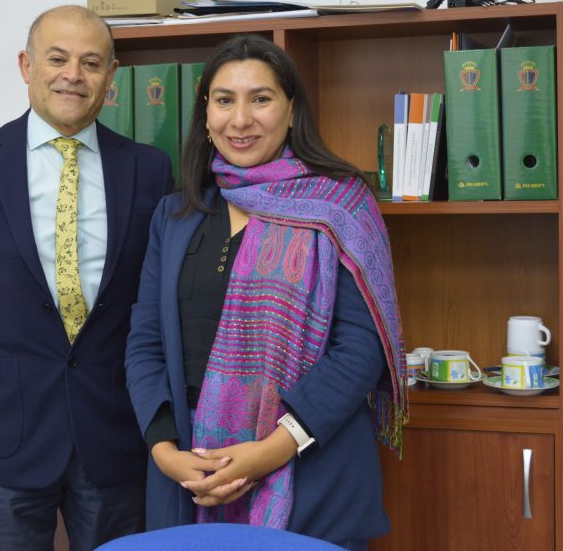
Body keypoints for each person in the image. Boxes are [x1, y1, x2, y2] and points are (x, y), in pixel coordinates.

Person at [124, 34, 407, 549]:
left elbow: (361, 350)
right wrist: (164, 450)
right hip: (187, 473)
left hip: (310, 472)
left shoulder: (341, 205)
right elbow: (144, 338)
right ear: (205, 114)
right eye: (224, 100)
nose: (240, 119)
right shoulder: (176, 214)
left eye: (261, 98)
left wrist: (270, 451)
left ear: (292, 109)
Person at [0, 5, 172, 550]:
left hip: (114, 433)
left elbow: (153, 303)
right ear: (26, 65)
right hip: (2, 435)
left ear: (112, 75)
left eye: (91, 62)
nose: (72, 75)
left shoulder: (150, 170)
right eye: (57, 58)